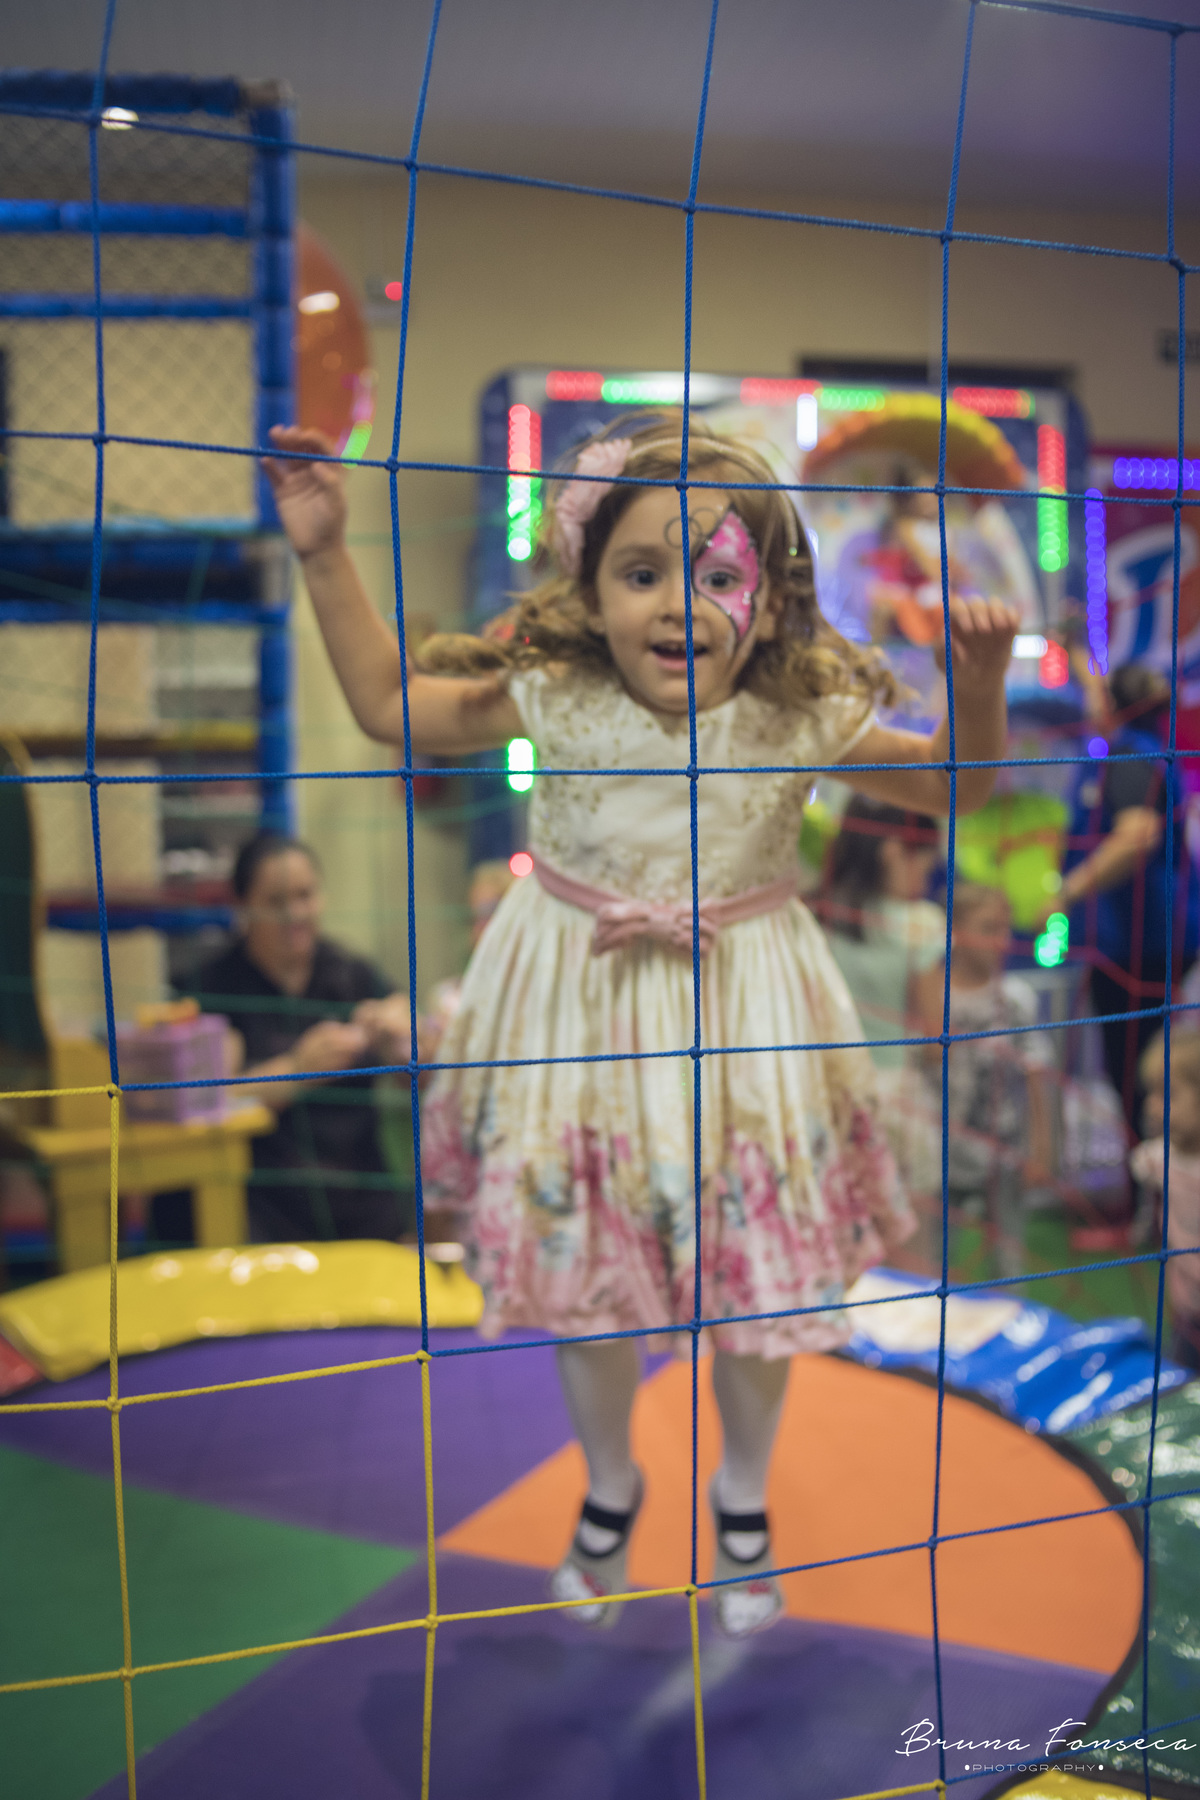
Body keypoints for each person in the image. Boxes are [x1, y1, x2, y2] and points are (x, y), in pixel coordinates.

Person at [263, 413, 1017, 1639]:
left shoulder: (794, 713)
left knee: (755, 1274)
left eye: (717, 573)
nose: (679, 604)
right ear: (592, 587)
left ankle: (742, 1489)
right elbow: (388, 706)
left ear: (767, 600)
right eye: (642, 572)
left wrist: (977, 695)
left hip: (745, 1010)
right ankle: (612, 1479)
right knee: (587, 1278)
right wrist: (323, 549)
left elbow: (955, 787)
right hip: (581, 1013)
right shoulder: (556, 696)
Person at [186, 833, 413, 1242]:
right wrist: (297, 1070)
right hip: (265, 1220)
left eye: (305, 895)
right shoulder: (210, 988)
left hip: (367, 1214)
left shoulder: (349, 972)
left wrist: (399, 1032)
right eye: (276, 902)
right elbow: (200, 1100)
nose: (295, 914)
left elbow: (411, 1038)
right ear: (242, 908)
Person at [1047, 664, 1200, 1149]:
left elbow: (1137, 836)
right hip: (1149, 937)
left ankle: (1150, 1203)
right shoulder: (1147, 748)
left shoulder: (1131, 754)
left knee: (1140, 1074)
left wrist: (1066, 891)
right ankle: (1153, 1196)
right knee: (1146, 1071)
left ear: (1113, 703)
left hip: (1140, 942)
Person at [820, 797, 945, 1271]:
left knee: (845, 1242)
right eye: (923, 864)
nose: (924, 880)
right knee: (910, 1250)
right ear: (893, 851)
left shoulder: (816, 918)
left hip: (831, 1095)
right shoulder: (919, 924)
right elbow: (935, 1036)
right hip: (897, 1101)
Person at [943, 884, 1054, 1279]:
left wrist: (1041, 1147)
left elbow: (1037, 1075)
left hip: (1003, 1148)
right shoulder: (932, 994)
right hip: (945, 1149)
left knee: (1009, 1263)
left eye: (1006, 928)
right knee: (936, 1259)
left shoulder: (1014, 999)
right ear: (954, 930)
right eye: (989, 927)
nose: (1001, 940)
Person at [1130, 1029, 1200, 1371]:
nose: (1152, 1105)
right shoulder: (1160, 1159)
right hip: (1186, 1304)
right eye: (1152, 1093)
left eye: (1167, 1094)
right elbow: (1142, 1163)